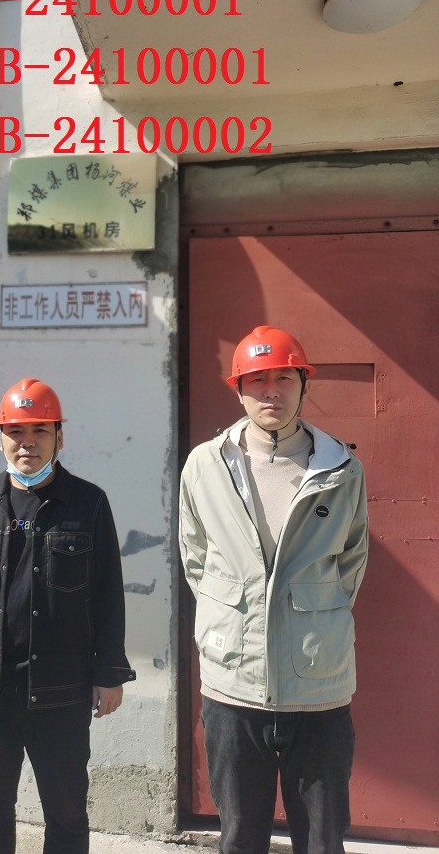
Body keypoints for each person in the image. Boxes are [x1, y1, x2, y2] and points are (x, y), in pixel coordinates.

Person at [179, 326, 369, 854]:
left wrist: (311, 619)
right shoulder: (206, 466)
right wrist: (233, 618)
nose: (271, 392)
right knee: (240, 837)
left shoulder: (340, 469)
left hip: (318, 684)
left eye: (284, 378)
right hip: (233, 683)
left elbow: (352, 562)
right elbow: (196, 559)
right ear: (238, 388)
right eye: (257, 380)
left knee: (323, 839)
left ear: (303, 383)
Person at [0, 377, 135, 854]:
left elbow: (108, 593)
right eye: (16, 431)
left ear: (59, 437)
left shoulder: (88, 503)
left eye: (40, 431)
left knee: (66, 814)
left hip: (61, 694)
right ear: (1, 438)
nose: (27, 443)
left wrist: (110, 672)